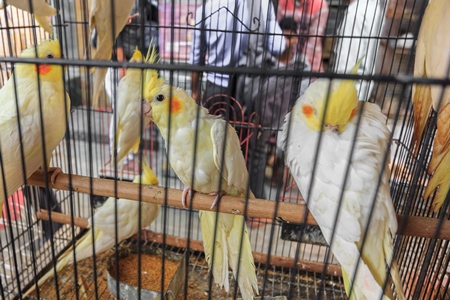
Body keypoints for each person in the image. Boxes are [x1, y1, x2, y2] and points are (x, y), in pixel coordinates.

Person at [236, 17, 311, 200]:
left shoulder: (301, 66)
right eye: (283, 37)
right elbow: (247, 87)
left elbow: (302, 97)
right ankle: (254, 200)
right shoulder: (264, 60)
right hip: (257, 118)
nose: (287, 42)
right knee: (252, 152)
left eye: (291, 37)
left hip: (284, 122)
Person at [189, 0, 286, 117]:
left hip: (215, 88)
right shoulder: (262, 4)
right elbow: (278, 46)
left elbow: (196, 59)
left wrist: (194, 92)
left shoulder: (205, 9)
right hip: (249, 88)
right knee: (243, 134)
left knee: (212, 133)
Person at [332, 0, 385, 101]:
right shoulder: (376, 9)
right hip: (363, 89)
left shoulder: (356, 13)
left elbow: (346, 62)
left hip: (348, 94)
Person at [277, 0, 329, 74]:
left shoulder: (320, 5)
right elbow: (277, 30)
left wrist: (301, 60)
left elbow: (315, 37)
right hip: (285, 57)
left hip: (310, 58)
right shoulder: (283, 2)